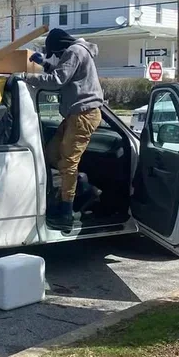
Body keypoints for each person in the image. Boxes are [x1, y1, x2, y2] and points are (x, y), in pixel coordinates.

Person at [24, 28, 105, 230]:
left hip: (83, 114)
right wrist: (44, 63)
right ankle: (84, 189)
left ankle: (66, 213)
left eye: (55, 53)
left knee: (68, 164)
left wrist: (25, 77)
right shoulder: (77, 51)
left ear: (60, 47)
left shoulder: (74, 51)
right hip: (76, 114)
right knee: (51, 155)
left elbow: (58, 80)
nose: (57, 57)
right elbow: (65, 73)